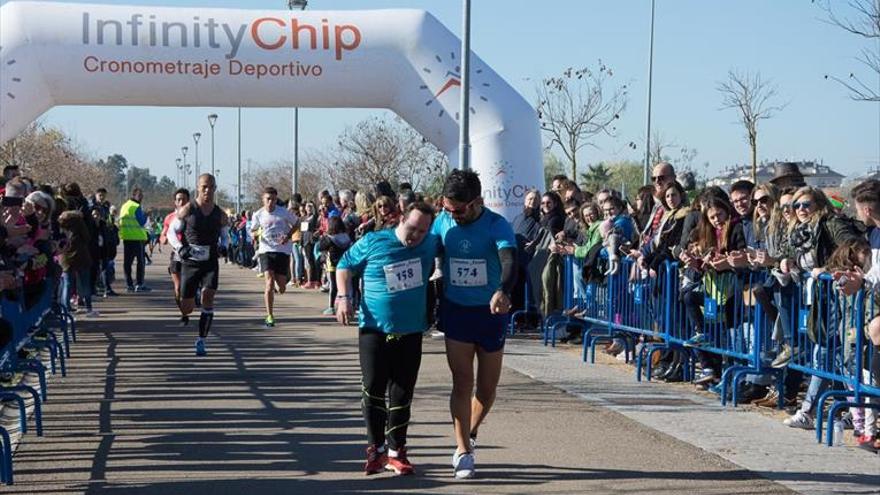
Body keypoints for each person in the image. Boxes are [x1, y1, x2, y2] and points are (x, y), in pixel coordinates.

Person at [335, 201, 440, 476]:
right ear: (401, 219)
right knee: (373, 390)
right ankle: (375, 449)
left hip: (410, 331)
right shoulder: (374, 241)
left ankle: (396, 451)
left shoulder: (430, 244)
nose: (415, 236)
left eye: (422, 231)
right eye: (412, 228)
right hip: (374, 329)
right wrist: (343, 297)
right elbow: (344, 266)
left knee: (402, 392)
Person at [432, 169, 517, 479]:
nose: (452, 215)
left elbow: (509, 260)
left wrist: (502, 290)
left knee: (487, 388)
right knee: (461, 381)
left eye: (459, 209)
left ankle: (469, 433)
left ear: (477, 202)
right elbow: (425, 250)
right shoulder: (443, 222)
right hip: (456, 311)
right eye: (447, 208)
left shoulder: (497, 224)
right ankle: (463, 450)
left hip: (490, 313)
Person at [167, 174, 229, 356]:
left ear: (215, 188)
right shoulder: (188, 209)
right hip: (190, 262)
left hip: (210, 261)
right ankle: (191, 296)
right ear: (198, 188)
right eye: (204, 187)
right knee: (187, 308)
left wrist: (224, 246)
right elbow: (172, 232)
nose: (207, 190)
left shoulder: (220, 214)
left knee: (208, 297)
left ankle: (201, 339)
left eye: (210, 187)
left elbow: (225, 234)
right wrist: (180, 248)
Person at [251, 187, 299, 327]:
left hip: (282, 251)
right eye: (268, 199)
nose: (270, 202)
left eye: (273, 199)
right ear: (263, 199)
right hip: (266, 251)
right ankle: (270, 315)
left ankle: (281, 284)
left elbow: (296, 223)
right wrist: (255, 234)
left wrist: (288, 236)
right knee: (269, 282)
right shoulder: (258, 214)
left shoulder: (283, 212)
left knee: (282, 287)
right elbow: (252, 230)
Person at [161, 188, 191, 325]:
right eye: (178, 199)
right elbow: (164, 234)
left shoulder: (193, 215)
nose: (181, 202)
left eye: (184, 199)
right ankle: (184, 314)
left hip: (192, 254)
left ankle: (191, 298)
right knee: (178, 287)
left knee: (190, 285)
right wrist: (163, 239)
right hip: (177, 254)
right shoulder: (170, 218)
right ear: (175, 202)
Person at [118, 187, 150, 292]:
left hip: (127, 238)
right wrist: (146, 214)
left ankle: (129, 284)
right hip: (137, 238)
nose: (141, 198)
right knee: (140, 262)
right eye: (140, 196)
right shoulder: (136, 206)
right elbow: (141, 222)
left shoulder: (124, 206)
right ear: (134, 195)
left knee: (127, 263)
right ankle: (139, 284)